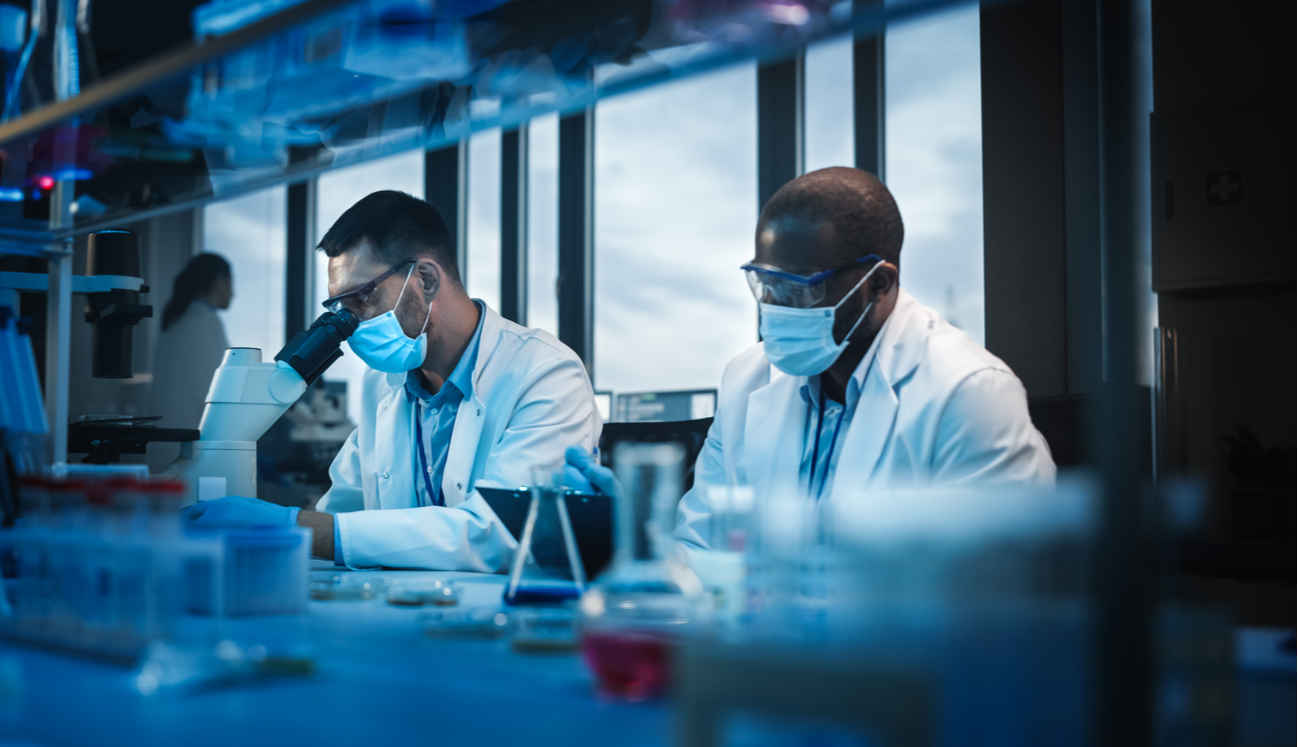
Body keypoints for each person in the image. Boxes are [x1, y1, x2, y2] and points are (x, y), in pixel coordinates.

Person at [565, 167, 1054, 546]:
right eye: (766, 283)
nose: (772, 310)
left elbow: (989, 598)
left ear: (878, 284)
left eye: (800, 289)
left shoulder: (969, 392)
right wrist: (635, 538)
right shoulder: (747, 380)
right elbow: (703, 550)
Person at [187, 190, 601, 571]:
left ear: (425, 279)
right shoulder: (381, 386)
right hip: (406, 618)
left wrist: (288, 524)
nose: (353, 325)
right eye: (341, 308)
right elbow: (341, 522)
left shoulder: (544, 373)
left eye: (363, 298)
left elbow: (499, 533)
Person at [149, 253, 233, 471]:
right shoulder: (207, 323)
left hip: (165, 446)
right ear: (220, 281)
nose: (234, 292)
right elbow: (215, 394)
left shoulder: (174, 326)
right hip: (193, 450)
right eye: (231, 282)